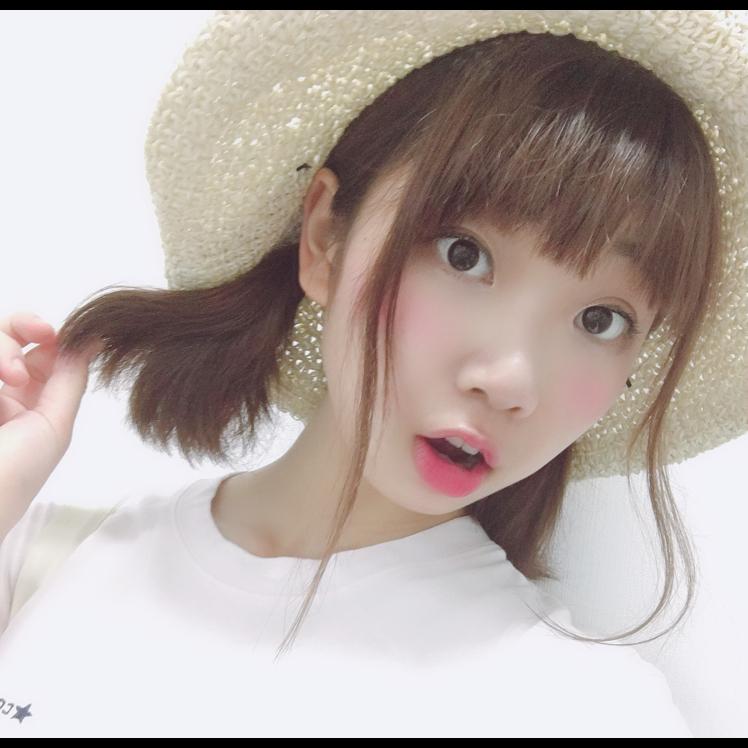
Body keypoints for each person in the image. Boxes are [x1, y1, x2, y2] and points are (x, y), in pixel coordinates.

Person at [1, 10, 746, 737]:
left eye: (601, 320)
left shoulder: (582, 710)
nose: (510, 380)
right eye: (464, 255)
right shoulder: (45, 553)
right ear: (325, 237)